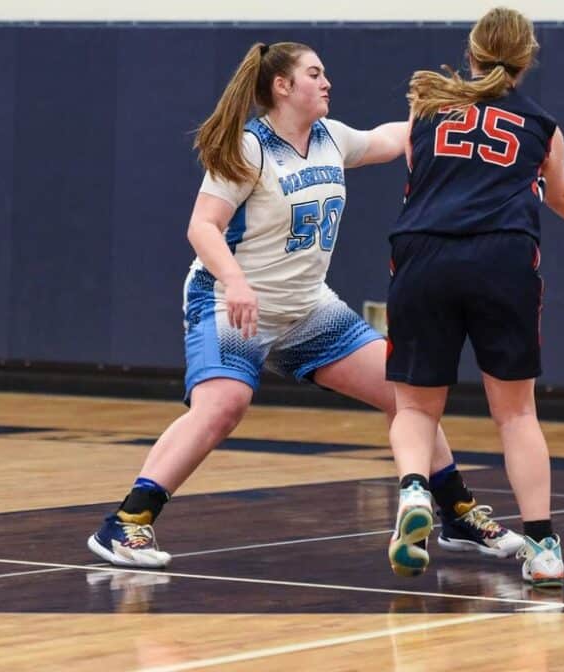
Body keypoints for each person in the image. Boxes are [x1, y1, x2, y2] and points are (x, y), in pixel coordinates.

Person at [87, 41, 523, 568]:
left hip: (307, 308)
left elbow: (389, 138)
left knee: (408, 390)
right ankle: (127, 522)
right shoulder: (250, 148)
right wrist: (236, 280)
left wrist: (454, 108)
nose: (326, 83)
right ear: (282, 87)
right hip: (231, 301)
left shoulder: (330, 138)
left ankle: (456, 513)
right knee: (223, 406)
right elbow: (202, 227)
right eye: (314, 74)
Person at [383, 7, 564, 588]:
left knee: (415, 407)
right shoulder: (543, 125)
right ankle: (542, 548)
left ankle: (415, 488)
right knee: (515, 413)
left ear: (470, 53)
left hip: (423, 256)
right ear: (527, 59)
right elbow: (559, 193)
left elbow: (422, 172)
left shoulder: (428, 106)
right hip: (503, 258)